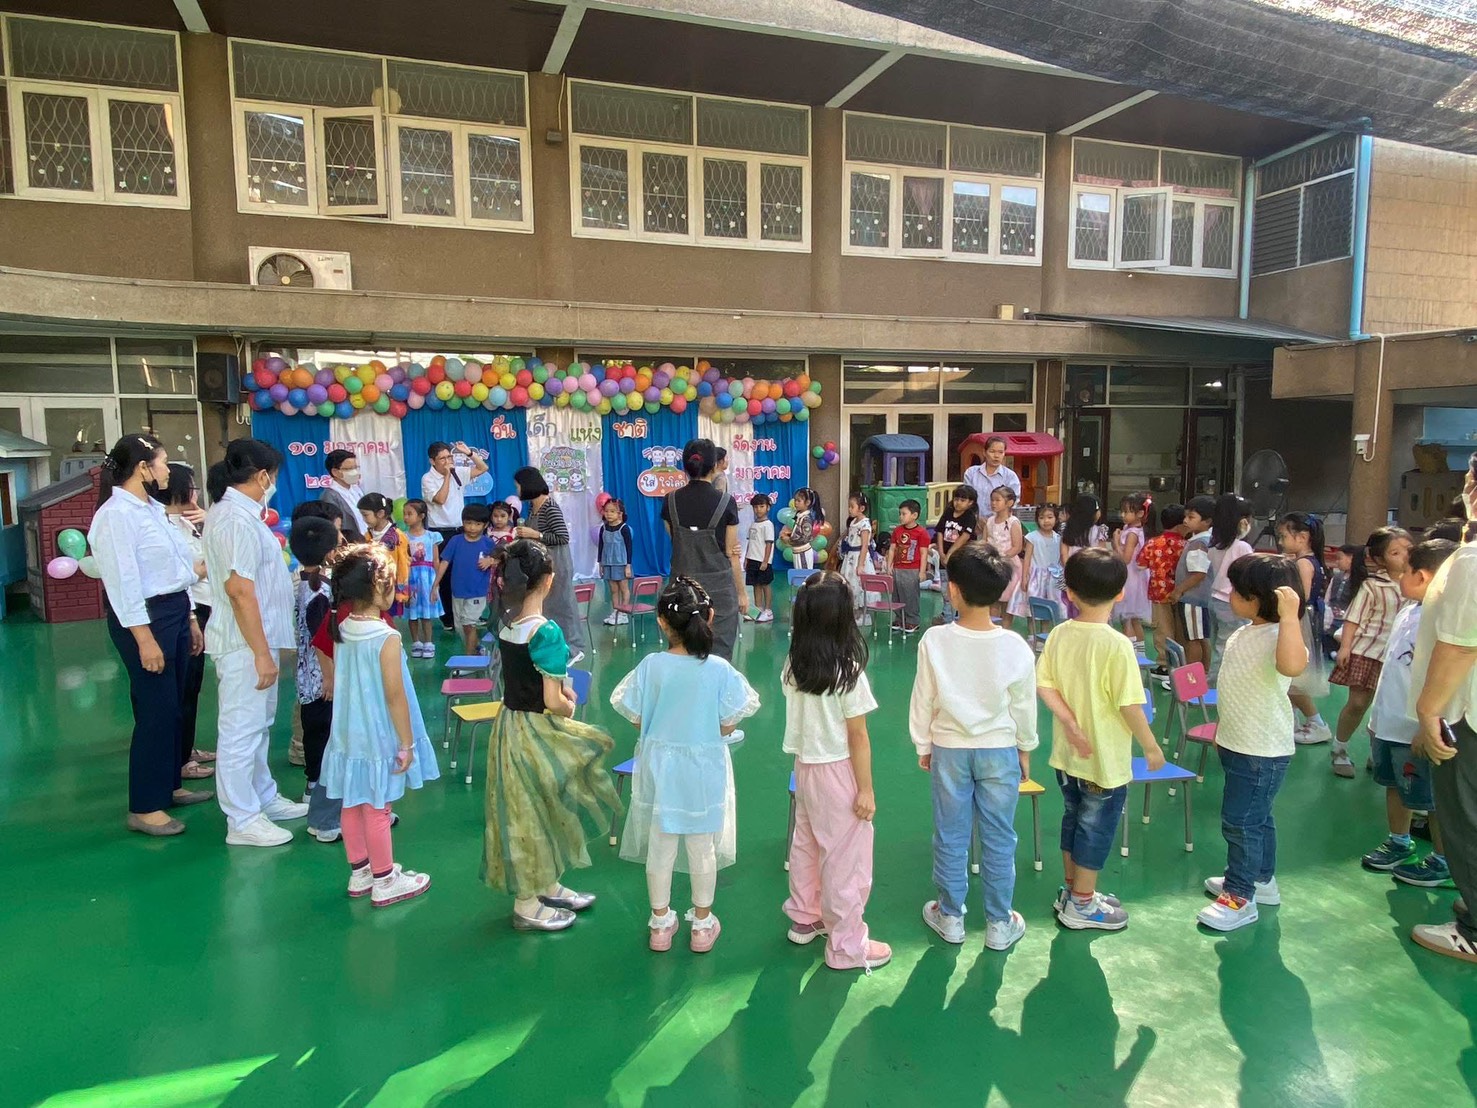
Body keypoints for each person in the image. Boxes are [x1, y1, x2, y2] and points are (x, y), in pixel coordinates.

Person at [612, 577, 759, 952]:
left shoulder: (652, 666)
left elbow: (635, 714)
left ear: (662, 622)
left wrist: (664, 726)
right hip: (703, 768)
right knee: (701, 844)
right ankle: (702, 926)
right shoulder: (719, 670)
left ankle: (660, 924)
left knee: (660, 844)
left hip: (660, 766)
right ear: (709, 617)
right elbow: (730, 720)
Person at [482, 540, 622, 931]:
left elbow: (525, 680)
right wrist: (567, 706)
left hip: (510, 726)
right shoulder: (546, 631)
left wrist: (559, 693)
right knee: (536, 809)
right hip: (538, 731)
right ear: (549, 581)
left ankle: (546, 882)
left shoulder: (507, 624)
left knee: (533, 806)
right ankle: (526, 903)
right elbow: (552, 700)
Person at [910, 543, 1036, 951]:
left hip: (949, 748)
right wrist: (1025, 747)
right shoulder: (1015, 645)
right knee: (999, 835)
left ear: (953, 590)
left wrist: (923, 743)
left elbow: (923, 698)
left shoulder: (934, 640)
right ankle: (999, 922)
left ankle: (950, 916)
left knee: (951, 833)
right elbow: (1024, 705)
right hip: (1000, 749)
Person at [1037, 549, 1166, 931]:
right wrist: (1151, 746)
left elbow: (1044, 684)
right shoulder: (1117, 645)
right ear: (1121, 593)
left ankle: (1073, 890)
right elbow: (1129, 705)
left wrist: (1069, 724)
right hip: (1103, 761)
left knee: (1074, 819)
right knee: (1095, 828)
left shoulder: (1059, 633)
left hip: (1067, 756)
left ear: (1069, 593)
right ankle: (1082, 904)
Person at [89, 434, 209, 836]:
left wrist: (189, 617)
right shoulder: (115, 516)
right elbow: (123, 584)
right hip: (144, 619)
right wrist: (144, 639)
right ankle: (144, 806)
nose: (167, 470)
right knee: (156, 710)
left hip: (173, 610)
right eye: (161, 462)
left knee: (174, 706)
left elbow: (177, 569)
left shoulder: (152, 510)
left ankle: (169, 785)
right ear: (143, 468)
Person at [318, 544, 440, 907]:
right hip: (376, 733)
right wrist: (407, 742)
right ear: (377, 587)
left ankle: (361, 872)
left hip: (348, 732)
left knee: (352, 801)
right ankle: (386, 879)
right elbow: (394, 696)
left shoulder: (344, 627)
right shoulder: (386, 636)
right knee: (377, 806)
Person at [782, 572, 890, 971]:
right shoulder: (847, 671)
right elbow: (858, 737)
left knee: (807, 843)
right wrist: (866, 789)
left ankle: (805, 915)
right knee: (846, 859)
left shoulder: (794, 665)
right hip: (838, 770)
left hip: (805, 767)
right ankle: (846, 946)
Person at [203, 438, 307, 847]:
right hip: (245, 644)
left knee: (259, 727)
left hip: (258, 641)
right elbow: (238, 590)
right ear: (263, 476)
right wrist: (261, 653)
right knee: (240, 732)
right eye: (274, 476)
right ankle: (242, 819)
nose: (273, 484)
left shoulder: (245, 515)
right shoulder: (234, 519)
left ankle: (263, 797)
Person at [1196, 555, 1307, 931]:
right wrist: (1222, 730)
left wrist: (1289, 617)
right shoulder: (1244, 633)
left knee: (1241, 823)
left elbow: (1292, 666)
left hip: (1262, 751)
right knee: (1258, 819)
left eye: (1236, 590)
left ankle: (1239, 896)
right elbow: (1235, 689)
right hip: (1237, 743)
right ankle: (1261, 880)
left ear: (1258, 598)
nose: (1228, 595)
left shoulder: (1282, 636)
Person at [1408, 455, 1477, 961]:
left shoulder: (1472, 561)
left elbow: (1458, 645)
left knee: (1466, 819)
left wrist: (1429, 711)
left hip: (1466, 712)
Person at [1361, 540, 1458, 884]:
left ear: (1423, 576)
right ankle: (1399, 841)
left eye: (1404, 572)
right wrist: (1376, 719)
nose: (1399, 577)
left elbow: (1443, 680)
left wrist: (1427, 724)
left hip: (1417, 726)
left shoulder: (1444, 619)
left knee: (1432, 799)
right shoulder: (1409, 610)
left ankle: (1443, 860)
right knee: (1393, 784)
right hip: (1389, 721)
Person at [1331, 526, 1413, 778]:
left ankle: (1377, 754)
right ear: (1379, 559)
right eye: (1395, 552)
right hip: (1368, 651)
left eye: (1408, 549)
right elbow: (1353, 619)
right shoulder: (1373, 585)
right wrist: (1345, 647)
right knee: (1358, 703)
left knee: (1386, 707)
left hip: (1399, 657)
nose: (1404, 556)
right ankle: (1339, 749)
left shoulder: (1418, 582)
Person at [150, 462, 216, 780]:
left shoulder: (188, 522)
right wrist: (207, 565)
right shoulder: (165, 526)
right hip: (192, 608)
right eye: (191, 486)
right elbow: (187, 571)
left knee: (192, 686)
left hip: (200, 605)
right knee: (185, 688)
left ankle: (186, 750)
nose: (195, 493)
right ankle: (180, 760)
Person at [661, 440, 745, 661]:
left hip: (681, 594)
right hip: (719, 595)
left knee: (682, 654)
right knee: (718, 658)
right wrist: (742, 593)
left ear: (685, 466)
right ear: (714, 465)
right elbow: (732, 553)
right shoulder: (726, 502)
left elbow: (675, 539)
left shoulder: (670, 501)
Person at [288, 516, 343, 844]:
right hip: (321, 680)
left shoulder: (304, 582)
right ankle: (317, 792)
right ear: (330, 552)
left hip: (308, 677)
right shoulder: (319, 591)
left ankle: (315, 786)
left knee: (316, 732)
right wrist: (330, 677)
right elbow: (322, 640)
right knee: (322, 737)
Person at [514, 466, 588, 663]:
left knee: (563, 606)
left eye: (518, 486)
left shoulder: (550, 507)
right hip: (543, 565)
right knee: (548, 607)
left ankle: (574, 648)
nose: (517, 490)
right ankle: (553, 646)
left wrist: (536, 535)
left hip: (558, 564)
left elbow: (562, 537)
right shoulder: (533, 508)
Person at [422, 440, 489, 630]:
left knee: (466, 571)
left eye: (449, 457)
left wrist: (469, 453)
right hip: (441, 532)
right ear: (432, 461)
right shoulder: (427, 478)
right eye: (442, 458)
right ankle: (448, 619)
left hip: (461, 530)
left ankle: (471, 614)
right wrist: (447, 476)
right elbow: (440, 499)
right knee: (445, 575)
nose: (447, 461)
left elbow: (483, 468)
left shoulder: (458, 471)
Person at [1279, 512, 1333, 744]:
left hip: (1300, 621)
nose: (1281, 541)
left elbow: (1302, 596)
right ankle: (1291, 721)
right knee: (1291, 678)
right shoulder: (1308, 561)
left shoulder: (1303, 563)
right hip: (1306, 618)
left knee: (1294, 679)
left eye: (1284, 536)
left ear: (1301, 537)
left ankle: (1317, 722)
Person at [433, 504, 496, 656]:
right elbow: (445, 562)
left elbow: (501, 557)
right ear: (462, 522)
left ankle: (469, 659)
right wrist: (435, 584)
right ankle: (477, 649)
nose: (472, 527)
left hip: (477, 592)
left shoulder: (488, 543)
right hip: (457, 591)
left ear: (485, 525)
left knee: (469, 624)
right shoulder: (456, 540)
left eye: (477, 524)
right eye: (469, 523)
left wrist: (491, 560)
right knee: (461, 627)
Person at [1206, 494, 1255, 683]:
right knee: (1227, 648)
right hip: (1232, 603)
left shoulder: (1215, 546)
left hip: (1215, 599)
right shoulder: (1242, 547)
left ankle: (1214, 683)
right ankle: (1215, 686)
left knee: (1218, 645)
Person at [1166, 495, 1217, 672]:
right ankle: (1204, 672)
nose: (1185, 520)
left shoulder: (1199, 544)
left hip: (1193, 599)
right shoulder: (1202, 540)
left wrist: (1178, 591)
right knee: (1201, 638)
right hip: (1199, 598)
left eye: (1191, 517)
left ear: (1207, 521)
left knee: (1193, 640)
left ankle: (1192, 675)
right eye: (1186, 516)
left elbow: (1198, 574)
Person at [1137, 503, 1186, 680]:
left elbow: (1140, 564)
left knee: (1163, 629)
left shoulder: (1153, 543)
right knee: (1181, 629)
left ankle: (1165, 665)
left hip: (1159, 591)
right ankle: (1181, 662)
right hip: (1183, 592)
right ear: (1181, 524)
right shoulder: (1185, 544)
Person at [1009, 502, 1064, 634]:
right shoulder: (1032, 537)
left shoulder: (1058, 538)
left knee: (1048, 606)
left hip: (1052, 578)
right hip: (1035, 576)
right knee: (1033, 607)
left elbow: (1060, 558)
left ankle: (1044, 633)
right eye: (1042, 517)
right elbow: (1027, 558)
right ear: (1037, 519)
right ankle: (1032, 635)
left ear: (1056, 519)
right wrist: (1024, 577)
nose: (1046, 521)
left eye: (1050, 517)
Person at [934, 485, 980, 624]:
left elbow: (964, 537)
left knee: (959, 588)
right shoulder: (948, 512)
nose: (958, 502)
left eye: (962, 500)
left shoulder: (969, 517)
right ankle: (947, 615)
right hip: (944, 559)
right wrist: (941, 552)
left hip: (960, 559)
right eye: (956, 499)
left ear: (970, 502)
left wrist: (949, 554)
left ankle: (959, 617)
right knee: (945, 589)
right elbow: (940, 531)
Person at [402, 499, 442, 658]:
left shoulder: (432, 536)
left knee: (426, 614)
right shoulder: (403, 537)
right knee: (412, 613)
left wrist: (436, 584)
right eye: (404, 514)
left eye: (409, 514)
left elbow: (436, 560)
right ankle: (416, 642)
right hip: (410, 578)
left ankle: (428, 642)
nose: (405, 517)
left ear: (421, 516)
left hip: (427, 579)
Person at [1113, 493, 1154, 648]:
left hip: (1130, 578)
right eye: (1122, 511)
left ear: (1140, 513)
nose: (1123, 515)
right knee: (1134, 619)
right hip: (1136, 577)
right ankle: (1140, 651)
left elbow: (1125, 559)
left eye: (1127, 512)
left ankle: (1130, 650)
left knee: (1127, 618)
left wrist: (1116, 543)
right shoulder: (1135, 529)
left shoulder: (1132, 533)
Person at [359, 492, 409, 618]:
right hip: (372, 587)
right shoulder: (367, 536)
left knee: (388, 620)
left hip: (391, 587)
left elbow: (403, 564)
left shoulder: (398, 536)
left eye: (366, 515)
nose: (364, 519)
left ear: (380, 513)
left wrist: (402, 590)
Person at [886, 498, 930, 634]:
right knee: (897, 595)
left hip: (912, 569)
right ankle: (899, 618)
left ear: (914, 515)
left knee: (910, 595)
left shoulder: (921, 533)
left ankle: (912, 621)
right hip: (897, 568)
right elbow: (892, 549)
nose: (900, 516)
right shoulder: (897, 531)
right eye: (900, 513)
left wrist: (922, 571)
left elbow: (923, 553)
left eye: (904, 514)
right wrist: (889, 565)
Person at [983, 486, 1023, 624]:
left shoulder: (1013, 522)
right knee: (993, 599)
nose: (993, 503)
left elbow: (1017, 546)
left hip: (1008, 565)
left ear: (1009, 503)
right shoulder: (990, 521)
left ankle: (1006, 628)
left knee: (1007, 601)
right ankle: (993, 627)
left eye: (997, 500)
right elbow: (985, 541)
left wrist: (1001, 558)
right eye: (992, 500)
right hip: (991, 564)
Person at [839, 492, 877, 620]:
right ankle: (852, 612)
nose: (849, 509)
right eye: (849, 506)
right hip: (850, 557)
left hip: (859, 557)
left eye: (852, 506)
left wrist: (861, 565)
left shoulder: (865, 524)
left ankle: (861, 613)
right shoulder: (853, 522)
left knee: (859, 584)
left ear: (861, 508)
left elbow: (865, 546)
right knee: (850, 583)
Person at [599, 497, 635, 626]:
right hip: (608, 563)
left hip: (621, 563)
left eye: (612, 511)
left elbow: (629, 547)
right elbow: (601, 546)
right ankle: (616, 611)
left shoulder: (624, 529)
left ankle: (623, 613)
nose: (608, 514)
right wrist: (600, 563)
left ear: (620, 514)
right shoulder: (603, 528)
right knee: (613, 589)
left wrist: (628, 565)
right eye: (606, 511)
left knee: (624, 588)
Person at [319, 449, 368, 537]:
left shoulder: (356, 489)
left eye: (355, 468)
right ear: (335, 472)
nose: (355, 472)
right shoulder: (329, 496)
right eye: (349, 469)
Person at [963, 435, 1022, 508]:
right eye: (992, 451)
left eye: (1000, 452)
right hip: (974, 514)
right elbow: (966, 498)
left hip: (999, 515)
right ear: (984, 452)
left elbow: (1013, 502)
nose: (996, 456)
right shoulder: (971, 473)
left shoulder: (1010, 476)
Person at [744, 493, 776, 623]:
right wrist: (746, 558)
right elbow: (750, 542)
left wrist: (765, 561)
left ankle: (768, 611)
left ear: (768, 507)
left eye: (762, 506)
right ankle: (758, 609)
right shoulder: (753, 524)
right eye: (756, 507)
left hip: (762, 561)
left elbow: (769, 544)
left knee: (765, 585)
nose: (758, 509)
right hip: (752, 559)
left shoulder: (768, 525)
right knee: (755, 584)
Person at [782, 487, 823, 570]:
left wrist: (789, 540)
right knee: (799, 575)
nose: (795, 503)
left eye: (798, 501)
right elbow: (799, 532)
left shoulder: (806, 518)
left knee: (804, 576)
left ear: (807, 502)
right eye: (795, 500)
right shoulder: (800, 516)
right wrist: (789, 535)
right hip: (797, 551)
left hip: (803, 552)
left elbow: (805, 537)